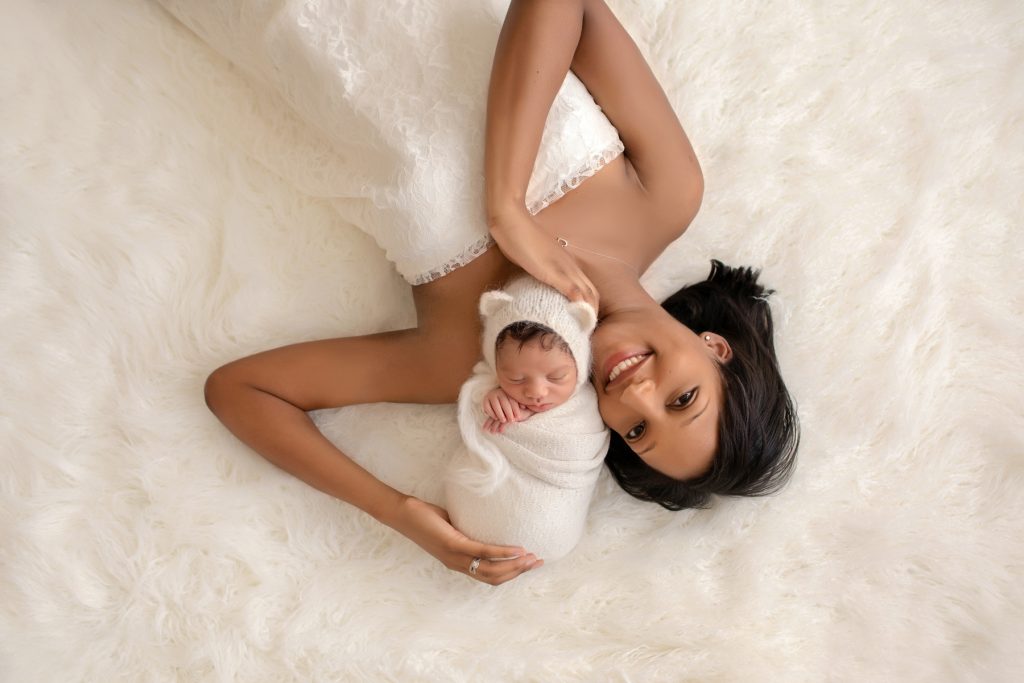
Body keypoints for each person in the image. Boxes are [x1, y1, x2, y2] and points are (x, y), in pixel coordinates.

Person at [203, 0, 799, 586]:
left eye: (636, 431)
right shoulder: (666, 195)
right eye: (681, 398)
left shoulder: (470, 357)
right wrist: (506, 209)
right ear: (716, 347)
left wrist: (401, 513)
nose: (637, 395)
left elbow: (238, 390)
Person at [445, 276, 609, 564]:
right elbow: (472, 409)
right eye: (516, 378)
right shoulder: (490, 386)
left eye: (556, 377)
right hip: (475, 512)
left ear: (580, 366)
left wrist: (529, 417)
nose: (535, 392)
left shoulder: (584, 405)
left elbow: (580, 446)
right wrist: (488, 397)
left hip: (553, 527)